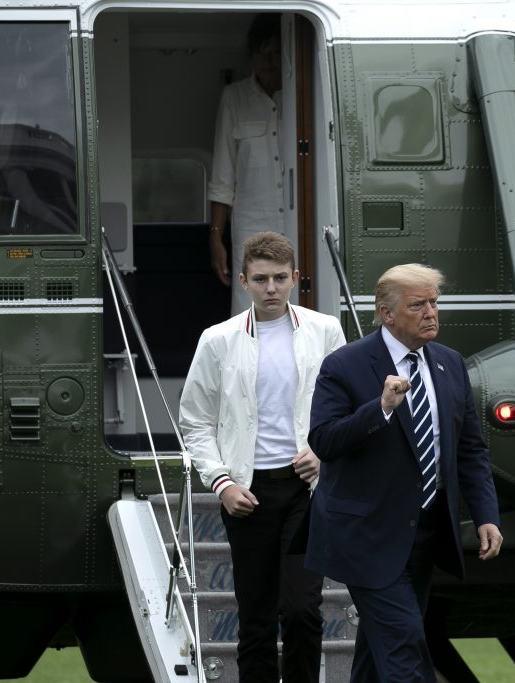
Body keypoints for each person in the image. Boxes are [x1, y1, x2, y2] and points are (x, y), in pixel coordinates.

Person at [306, 263, 504, 682]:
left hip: (426, 533)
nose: (431, 312)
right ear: (387, 313)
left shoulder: (449, 363)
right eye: (418, 305)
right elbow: (323, 441)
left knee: (378, 654)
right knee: (406, 649)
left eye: (434, 302)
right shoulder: (344, 365)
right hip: (368, 534)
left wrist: (486, 514)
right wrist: (379, 409)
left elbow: (469, 449)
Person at [179, 231, 345, 683]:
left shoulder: (325, 329)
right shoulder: (218, 339)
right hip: (247, 492)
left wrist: (321, 454)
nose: (270, 288)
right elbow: (194, 420)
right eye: (260, 279)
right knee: (254, 619)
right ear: (244, 283)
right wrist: (222, 482)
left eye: (278, 278)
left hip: (306, 491)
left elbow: (345, 405)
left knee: (301, 611)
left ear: (295, 278)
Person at [207, 14, 288, 314]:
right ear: (251, 56)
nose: (269, 61)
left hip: (297, 226)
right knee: (249, 312)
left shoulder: (300, 94)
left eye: (276, 53)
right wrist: (216, 236)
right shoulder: (234, 98)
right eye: (261, 53)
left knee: (297, 311)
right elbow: (222, 177)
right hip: (250, 228)